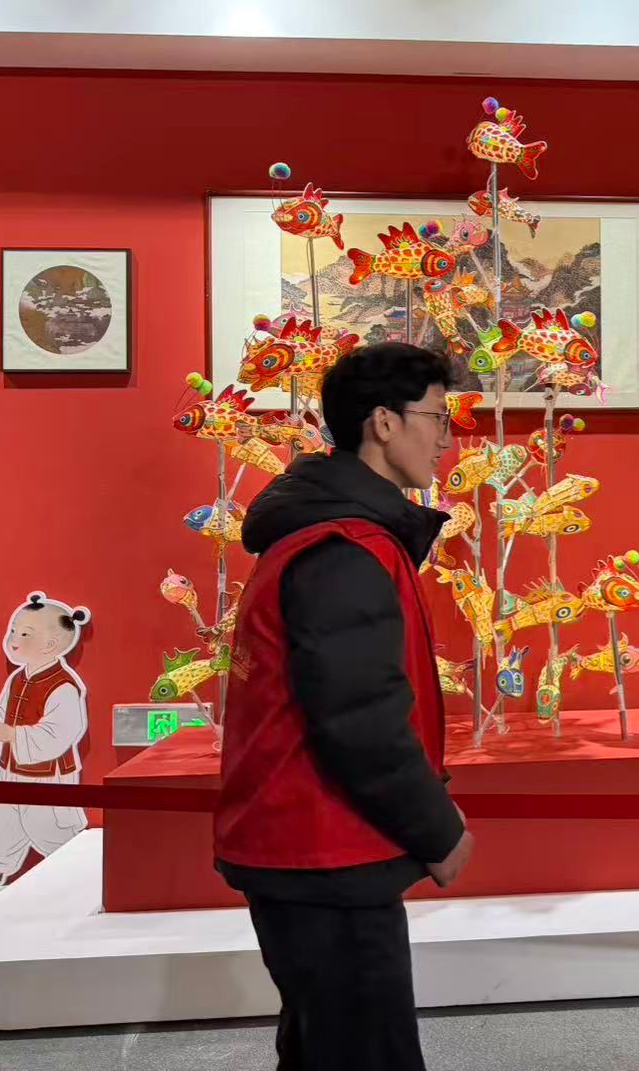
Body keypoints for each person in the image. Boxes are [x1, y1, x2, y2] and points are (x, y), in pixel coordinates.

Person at [215, 342, 474, 1071]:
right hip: (323, 846)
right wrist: (438, 830)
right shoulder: (343, 548)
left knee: (326, 1044)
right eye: (438, 417)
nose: (447, 438)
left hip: (314, 845)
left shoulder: (337, 534)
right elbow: (359, 718)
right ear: (384, 424)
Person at [0, 593, 92, 887]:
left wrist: (14, 735)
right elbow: (3, 710)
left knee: (48, 823)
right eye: (13, 631)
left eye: (24, 634)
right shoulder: (18, 678)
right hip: (11, 766)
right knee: (3, 818)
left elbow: (61, 732)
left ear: (50, 645)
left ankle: (75, 864)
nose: (13, 639)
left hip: (47, 774)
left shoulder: (64, 686)